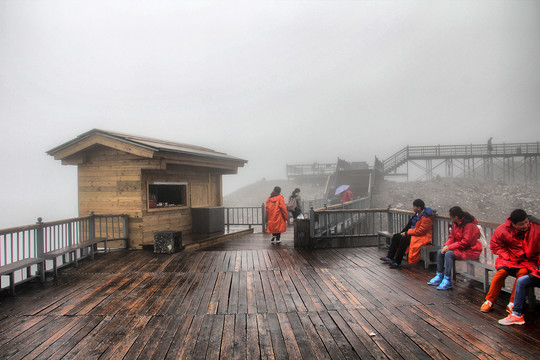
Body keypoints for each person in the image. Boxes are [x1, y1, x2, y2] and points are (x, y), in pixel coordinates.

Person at [483, 209, 540, 313]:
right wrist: (508, 256)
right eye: (521, 224)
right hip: (508, 259)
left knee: (522, 274)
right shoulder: (502, 230)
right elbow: (495, 246)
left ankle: (513, 303)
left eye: (526, 222)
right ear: (513, 224)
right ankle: (489, 301)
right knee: (501, 273)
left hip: (527, 260)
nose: (525, 225)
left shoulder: (536, 227)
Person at [427, 206, 482, 290]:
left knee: (449, 254)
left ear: (456, 217)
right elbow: (452, 237)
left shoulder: (469, 226)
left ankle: (447, 279)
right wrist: (446, 246)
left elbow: (466, 242)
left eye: (451, 217)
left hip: (471, 250)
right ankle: (439, 275)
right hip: (461, 248)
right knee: (440, 252)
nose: (451, 219)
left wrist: (450, 247)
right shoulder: (456, 224)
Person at [380, 199, 434, 268]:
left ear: (419, 208)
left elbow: (421, 231)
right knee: (396, 236)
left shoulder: (426, 218)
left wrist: (407, 233)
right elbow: (409, 226)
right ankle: (390, 257)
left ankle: (397, 261)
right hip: (413, 234)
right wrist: (403, 232)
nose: (413, 208)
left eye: (414, 206)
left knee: (404, 239)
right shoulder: (417, 215)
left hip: (422, 237)